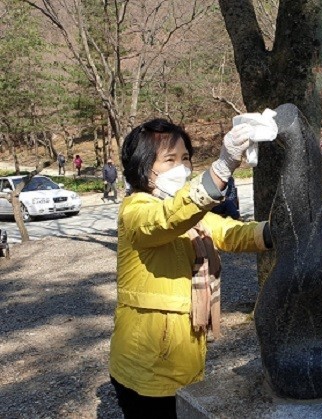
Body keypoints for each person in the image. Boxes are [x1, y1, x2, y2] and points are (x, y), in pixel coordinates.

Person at [109, 118, 271, 418]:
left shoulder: (188, 213)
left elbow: (229, 233)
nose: (181, 168)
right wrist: (222, 168)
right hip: (146, 368)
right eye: (169, 160)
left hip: (182, 358)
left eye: (185, 158)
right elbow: (167, 219)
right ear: (144, 168)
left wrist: (274, 232)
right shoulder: (136, 211)